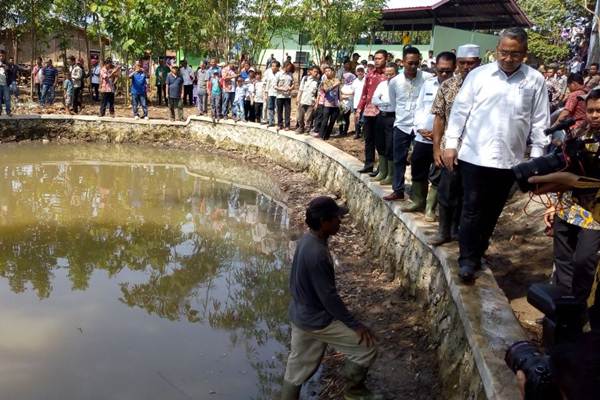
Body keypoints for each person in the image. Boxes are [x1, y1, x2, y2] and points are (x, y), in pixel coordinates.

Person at [442, 28, 550, 282]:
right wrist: (451, 144)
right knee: (471, 208)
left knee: (492, 211)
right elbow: (459, 111)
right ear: (496, 50)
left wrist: (536, 157)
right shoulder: (479, 76)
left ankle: (479, 252)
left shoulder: (534, 80)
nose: (508, 58)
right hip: (474, 156)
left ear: (524, 54)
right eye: (504, 52)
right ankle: (467, 260)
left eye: (515, 54)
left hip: (509, 160)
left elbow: (540, 121)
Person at [280, 196, 378, 400]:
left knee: (297, 366)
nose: (339, 222)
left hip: (299, 314)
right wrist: (355, 324)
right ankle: (354, 392)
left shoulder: (307, 240)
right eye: (336, 218)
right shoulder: (318, 254)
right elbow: (329, 298)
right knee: (366, 348)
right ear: (325, 222)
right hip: (317, 319)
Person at [530, 89, 600, 306]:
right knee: (563, 258)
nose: (595, 115)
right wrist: (555, 204)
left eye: (599, 111)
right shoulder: (579, 134)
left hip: (595, 212)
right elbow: (569, 169)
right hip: (569, 206)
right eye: (591, 111)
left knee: (584, 259)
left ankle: (581, 307)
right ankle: (562, 305)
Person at [428, 44, 481, 246]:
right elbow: (439, 118)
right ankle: (444, 231)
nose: (467, 67)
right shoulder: (447, 86)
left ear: (479, 63)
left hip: (476, 150)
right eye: (463, 63)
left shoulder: (488, 87)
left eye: (471, 63)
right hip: (451, 149)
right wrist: (436, 149)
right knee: (447, 191)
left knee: (469, 194)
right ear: (457, 63)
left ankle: (459, 231)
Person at [401, 52, 457, 218]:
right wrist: (419, 128)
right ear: (435, 68)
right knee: (417, 166)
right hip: (422, 136)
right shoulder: (428, 84)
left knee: (438, 172)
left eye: (448, 71)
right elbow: (419, 108)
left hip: (443, 139)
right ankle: (418, 201)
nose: (444, 74)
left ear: (454, 68)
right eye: (441, 71)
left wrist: (439, 134)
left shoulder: (459, 88)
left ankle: (430, 208)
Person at [383, 46, 432, 202]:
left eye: (416, 63)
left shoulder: (427, 78)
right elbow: (392, 102)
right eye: (410, 63)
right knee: (399, 159)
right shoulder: (394, 82)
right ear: (402, 62)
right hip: (402, 125)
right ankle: (398, 190)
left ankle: (419, 196)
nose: (413, 67)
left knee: (420, 160)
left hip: (421, 127)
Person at [356, 49, 388, 174]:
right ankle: (368, 164)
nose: (377, 61)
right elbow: (364, 93)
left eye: (380, 58)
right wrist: (359, 109)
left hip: (382, 111)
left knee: (381, 141)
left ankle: (382, 168)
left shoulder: (389, 75)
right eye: (375, 58)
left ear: (386, 59)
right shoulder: (369, 74)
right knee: (369, 139)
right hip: (369, 111)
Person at [370, 63, 398, 185]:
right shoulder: (382, 84)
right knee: (380, 143)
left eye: (391, 74)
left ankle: (390, 175)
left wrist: (383, 102)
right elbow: (374, 99)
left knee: (390, 145)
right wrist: (384, 103)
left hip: (393, 117)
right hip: (381, 116)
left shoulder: (399, 85)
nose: (388, 76)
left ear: (396, 73)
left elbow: (395, 103)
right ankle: (382, 171)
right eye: (387, 74)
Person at [318, 65, 340, 140]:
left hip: (335, 104)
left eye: (329, 71)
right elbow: (326, 89)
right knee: (325, 120)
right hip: (327, 104)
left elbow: (339, 90)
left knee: (332, 121)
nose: (327, 73)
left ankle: (327, 136)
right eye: (326, 71)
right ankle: (321, 135)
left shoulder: (336, 80)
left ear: (332, 72)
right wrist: (333, 86)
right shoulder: (324, 81)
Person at [296, 65, 320, 133]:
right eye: (315, 71)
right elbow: (300, 89)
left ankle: (307, 129)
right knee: (300, 117)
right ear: (311, 71)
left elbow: (318, 94)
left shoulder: (317, 82)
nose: (316, 73)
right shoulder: (305, 78)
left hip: (311, 101)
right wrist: (298, 98)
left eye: (317, 72)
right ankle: (301, 128)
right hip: (303, 100)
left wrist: (316, 103)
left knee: (308, 118)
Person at [275, 62, 294, 130]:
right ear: (286, 66)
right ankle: (280, 124)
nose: (290, 68)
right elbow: (274, 86)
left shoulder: (290, 74)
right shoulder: (278, 74)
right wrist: (282, 89)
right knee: (279, 111)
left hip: (287, 96)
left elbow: (293, 84)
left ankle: (287, 125)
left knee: (287, 111)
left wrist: (291, 88)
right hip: (280, 96)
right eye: (289, 67)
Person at [338, 72, 356, 137]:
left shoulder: (353, 86)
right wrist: (343, 95)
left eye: (345, 78)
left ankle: (345, 131)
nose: (344, 79)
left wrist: (345, 95)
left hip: (348, 104)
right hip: (341, 103)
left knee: (346, 118)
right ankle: (340, 131)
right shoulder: (343, 85)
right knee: (340, 118)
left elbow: (353, 94)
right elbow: (339, 93)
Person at [351, 65, 366, 139]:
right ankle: (357, 133)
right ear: (356, 72)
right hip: (356, 103)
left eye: (361, 71)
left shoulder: (366, 80)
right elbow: (353, 92)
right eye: (358, 71)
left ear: (364, 71)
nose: (360, 72)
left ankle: (363, 134)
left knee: (364, 119)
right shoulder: (354, 81)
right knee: (356, 118)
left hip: (365, 104)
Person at [0, 50, 11, 116]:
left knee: (7, 98)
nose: (1, 57)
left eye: (2, 56)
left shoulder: (7, 64)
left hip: (5, 84)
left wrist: (7, 69)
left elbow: (11, 73)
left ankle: (8, 111)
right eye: (0, 56)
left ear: (4, 56)